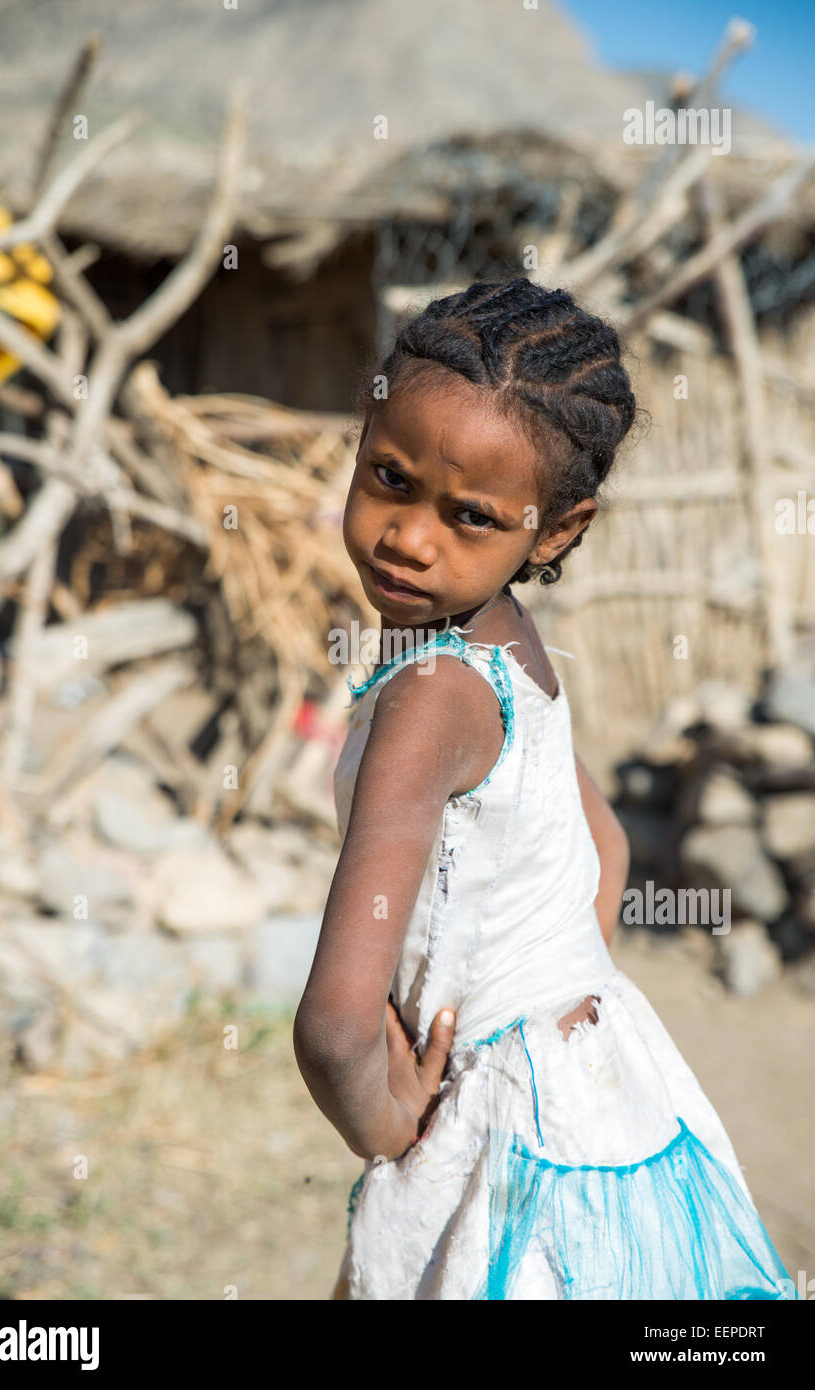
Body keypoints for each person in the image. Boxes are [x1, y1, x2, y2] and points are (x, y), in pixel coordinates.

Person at [293, 277, 798, 1300]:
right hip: (603, 1077)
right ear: (362, 438)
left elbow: (337, 1025)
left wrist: (400, 1127)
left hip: (496, 1124)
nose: (411, 536)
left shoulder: (429, 695)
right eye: (389, 476)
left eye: (470, 516)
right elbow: (603, 843)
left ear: (557, 531)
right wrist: (549, 990)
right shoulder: (508, 647)